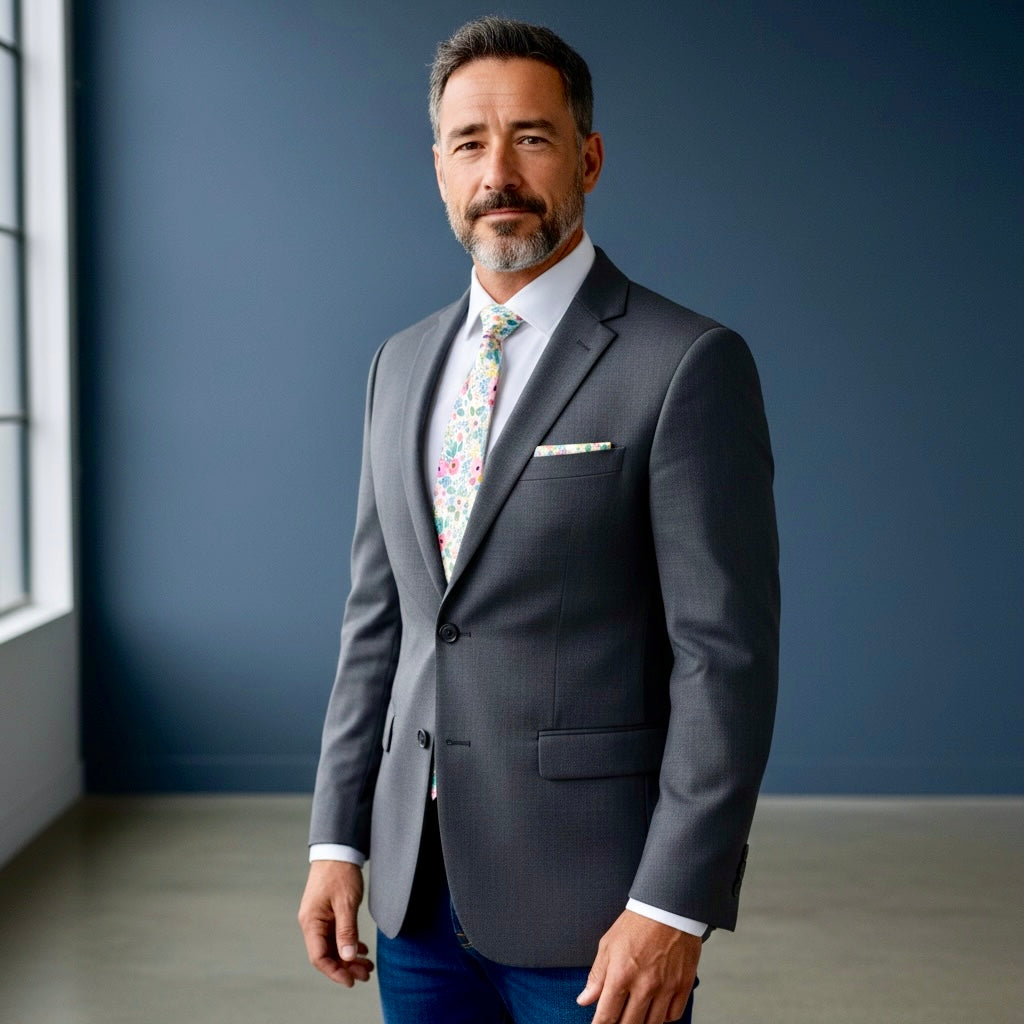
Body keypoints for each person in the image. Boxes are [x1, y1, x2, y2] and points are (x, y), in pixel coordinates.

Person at [298, 16, 779, 1024]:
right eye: (469, 141)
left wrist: (671, 904)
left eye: (531, 136)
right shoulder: (399, 364)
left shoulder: (684, 361)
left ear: (588, 157)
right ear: (437, 166)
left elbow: (721, 657)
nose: (497, 171)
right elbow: (377, 625)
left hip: (597, 913)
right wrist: (337, 842)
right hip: (413, 905)